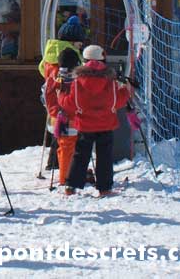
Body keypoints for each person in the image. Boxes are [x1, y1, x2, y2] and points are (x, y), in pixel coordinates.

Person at [59, 44, 131, 197]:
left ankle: (71, 185)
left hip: (85, 125)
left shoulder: (78, 81)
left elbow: (71, 103)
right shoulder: (110, 81)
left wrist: (61, 96)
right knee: (105, 156)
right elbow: (117, 102)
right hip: (106, 124)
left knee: (80, 155)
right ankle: (104, 188)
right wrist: (125, 89)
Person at [38, 14, 87, 171]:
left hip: (52, 100)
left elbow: (41, 69)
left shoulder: (50, 51)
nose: (81, 46)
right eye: (80, 42)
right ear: (73, 41)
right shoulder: (68, 54)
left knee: (56, 133)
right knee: (69, 136)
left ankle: (53, 163)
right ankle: (66, 168)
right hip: (66, 101)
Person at [44, 46, 82, 188]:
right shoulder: (76, 80)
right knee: (69, 149)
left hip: (56, 120)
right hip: (73, 120)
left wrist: (54, 112)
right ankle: (66, 179)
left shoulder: (53, 78)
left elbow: (47, 97)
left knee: (63, 147)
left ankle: (66, 175)